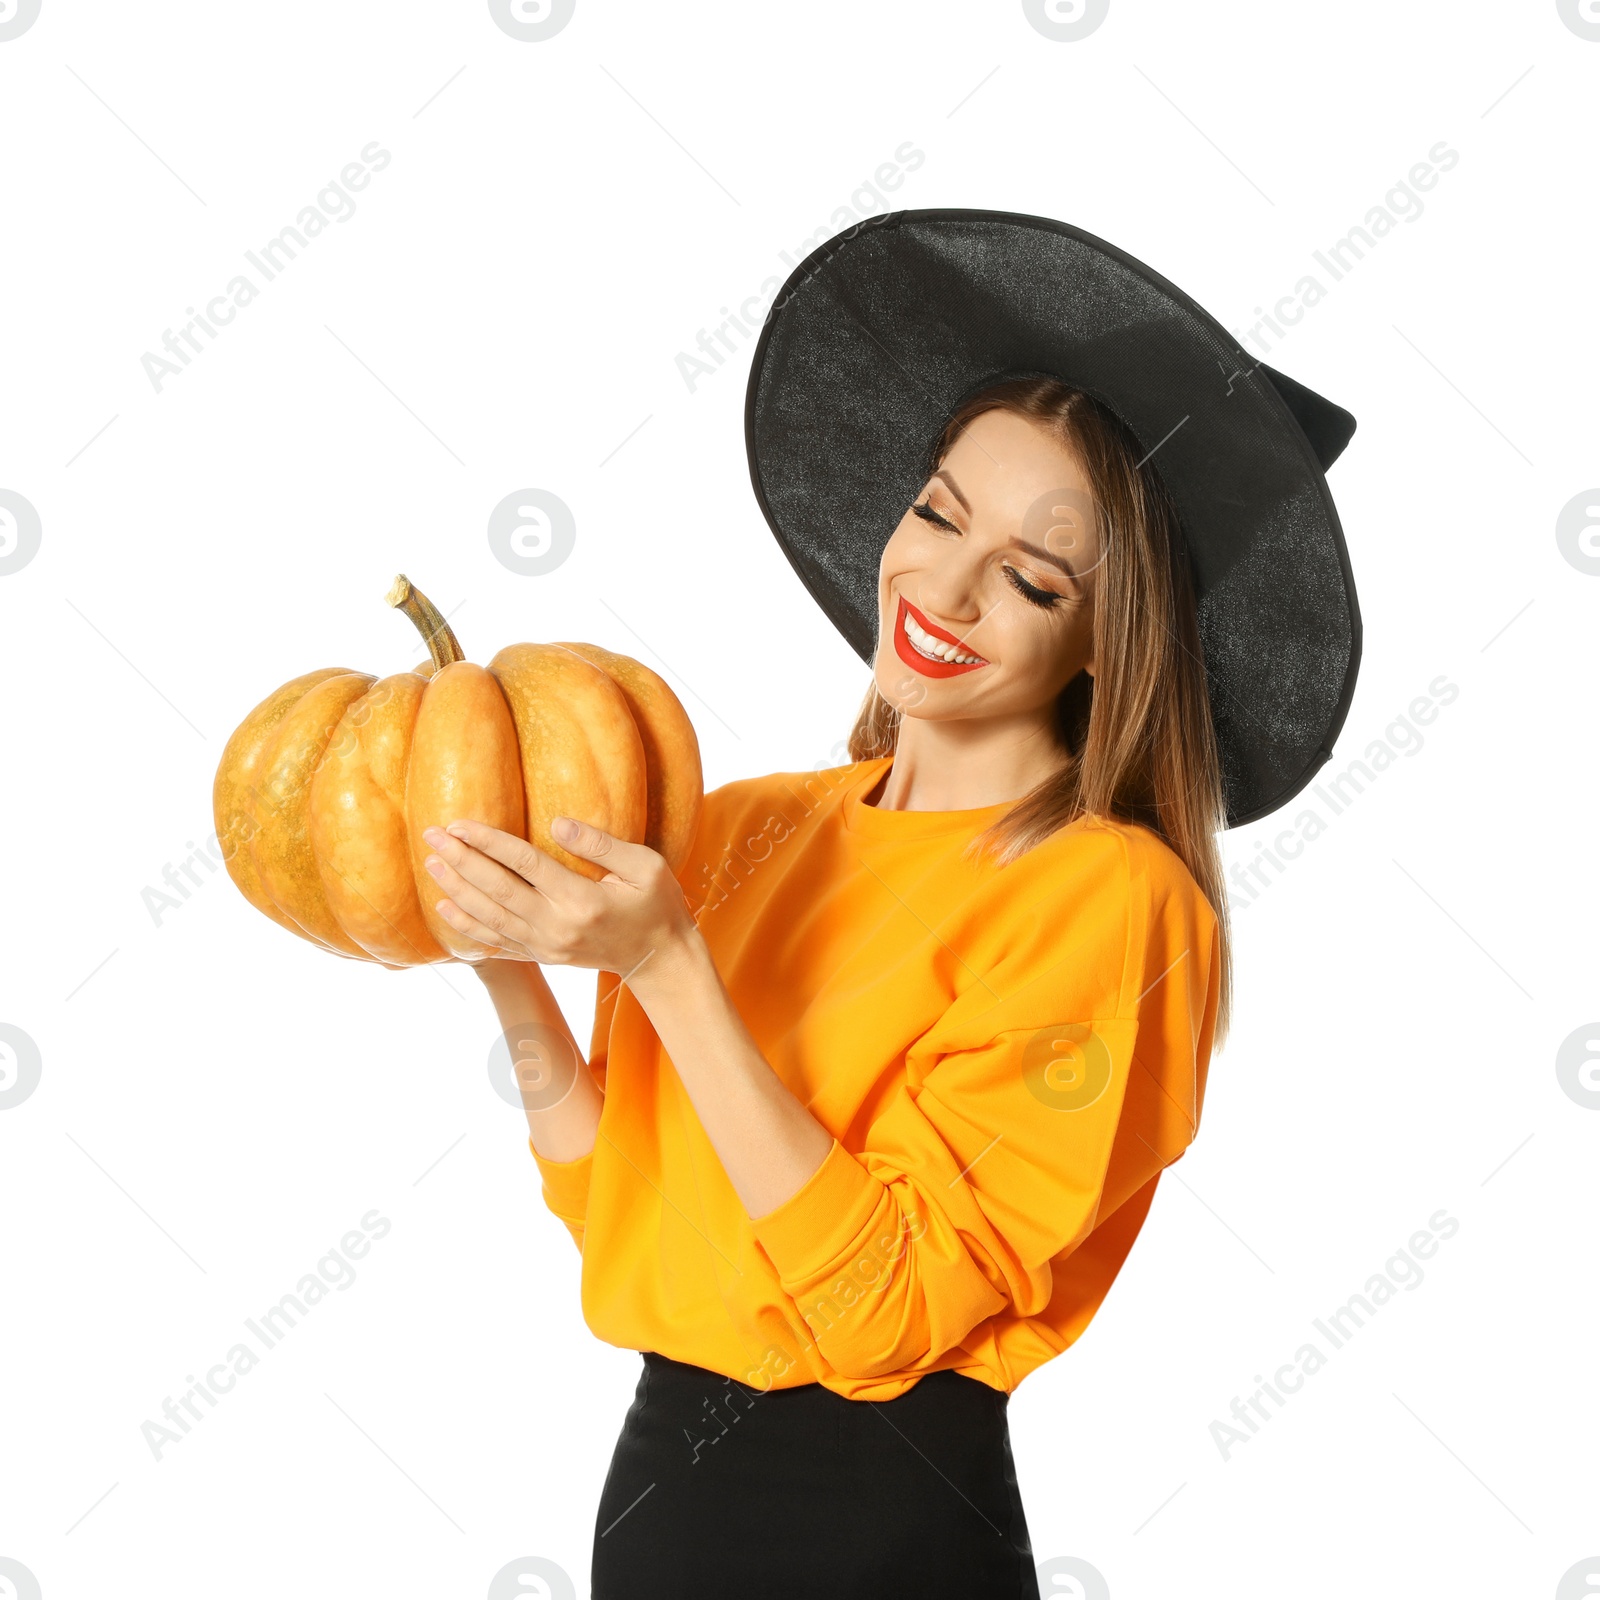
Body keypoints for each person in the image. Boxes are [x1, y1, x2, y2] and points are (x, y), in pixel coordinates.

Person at [416, 213, 1361, 1598]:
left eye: (1035, 579)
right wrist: (500, 956)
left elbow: (881, 1315)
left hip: (870, 1524)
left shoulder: (1110, 897)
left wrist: (675, 965)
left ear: (1112, 637)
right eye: (936, 513)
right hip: (658, 1494)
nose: (946, 588)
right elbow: (611, 1188)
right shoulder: (745, 826)